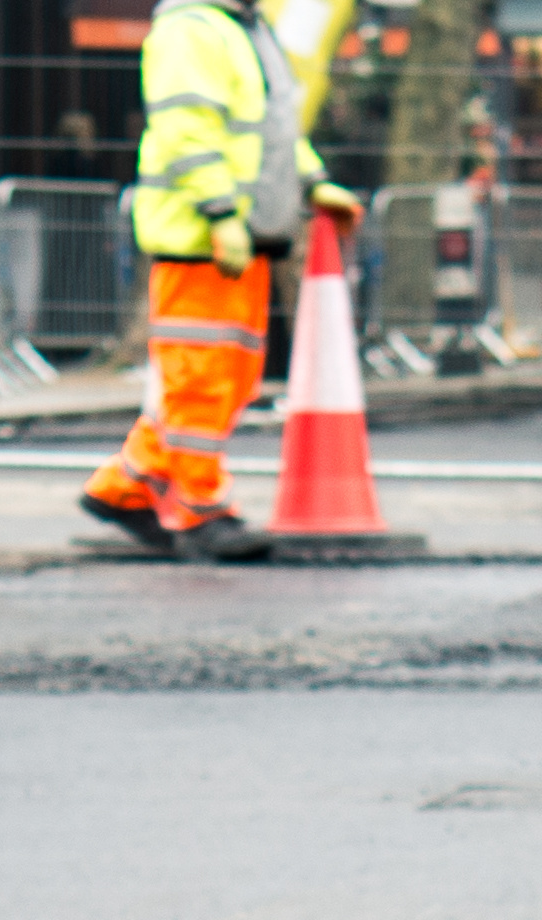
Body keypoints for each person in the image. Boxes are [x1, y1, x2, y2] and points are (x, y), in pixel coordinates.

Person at [81, 0, 359, 557]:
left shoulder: (240, 29)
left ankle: (128, 486)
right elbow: (187, 129)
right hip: (202, 240)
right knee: (201, 381)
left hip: (237, 237)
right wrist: (219, 212)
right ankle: (200, 511)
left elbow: (271, 130)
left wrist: (311, 180)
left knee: (226, 380)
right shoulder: (194, 28)